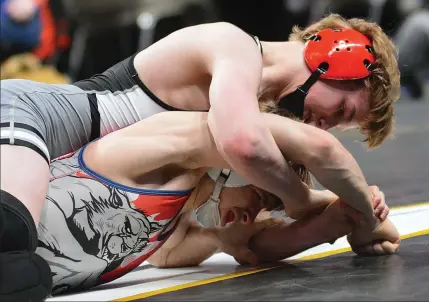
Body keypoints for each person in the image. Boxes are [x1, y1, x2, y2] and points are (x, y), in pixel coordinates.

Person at [1, 14, 400, 301]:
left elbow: (248, 243)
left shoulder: (207, 162)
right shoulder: (233, 48)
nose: (322, 124)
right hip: (28, 113)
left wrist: (332, 221)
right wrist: (318, 204)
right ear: (339, 56)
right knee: (12, 235)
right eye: (342, 112)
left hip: (63, 157)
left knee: (22, 275)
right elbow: (249, 144)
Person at [35, 109, 399, 295]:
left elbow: (175, 255)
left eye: (265, 207)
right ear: (235, 165)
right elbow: (313, 145)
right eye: (259, 196)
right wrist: (333, 199)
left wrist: (337, 220)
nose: (252, 214)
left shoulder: (173, 221)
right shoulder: (174, 145)